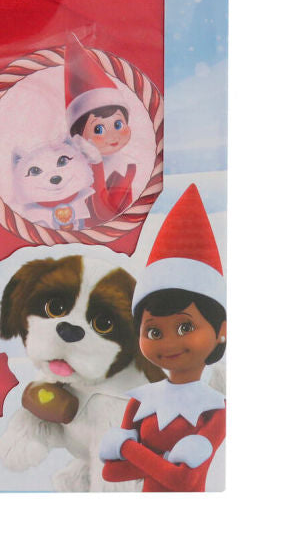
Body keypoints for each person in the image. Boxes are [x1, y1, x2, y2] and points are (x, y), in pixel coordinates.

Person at [99, 184, 226, 492]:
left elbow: (184, 480)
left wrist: (127, 447)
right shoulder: (141, 401)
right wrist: (166, 461)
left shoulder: (217, 408)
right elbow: (111, 473)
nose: (168, 343)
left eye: (185, 328)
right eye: (154, 332)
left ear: (221, 331)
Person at [65, 39, 137, 221]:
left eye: (118, 125)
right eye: (98, 129)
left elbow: (106, 213)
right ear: (78, 136)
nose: (112, 136)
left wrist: (96, 164)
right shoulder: (74, 166)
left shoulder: (123, 169)